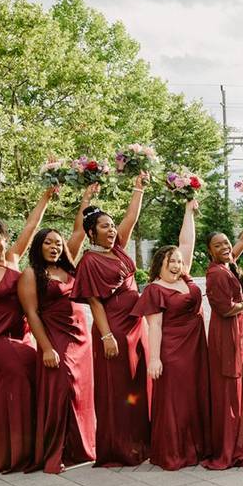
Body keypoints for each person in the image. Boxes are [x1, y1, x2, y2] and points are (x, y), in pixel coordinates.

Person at [0, 187, 57, 472]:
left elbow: (31, 227)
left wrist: (44, 198)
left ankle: (30, 450)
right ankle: (12, 455)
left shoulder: (15, 259)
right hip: (0, 340)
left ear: (5, 239)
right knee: (17, 386)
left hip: (25, 335)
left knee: (31, 385)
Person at [72, 174, 150, 467]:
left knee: (135, 387)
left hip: (134, 326)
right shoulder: (90, 261)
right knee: (117, 390)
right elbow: (94, 301)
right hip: (114, 329)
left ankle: (140, 442)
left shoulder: (117, 249)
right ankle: (119, 447)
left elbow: (130, 217)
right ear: (92, 232)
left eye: (112, 225)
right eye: (105, 226)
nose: (112, 229)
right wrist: (106, 337)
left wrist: (138, 188)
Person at [19, 185, 97, 473]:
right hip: (55, 339)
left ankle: (82, 448)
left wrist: (85, 200)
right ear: (39, 247)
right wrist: (47, 348)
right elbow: (31, 313)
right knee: (59, 392)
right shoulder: (31, 274)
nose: (54, 247)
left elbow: (77, 233)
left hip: (81, 338)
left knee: (81, 393)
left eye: (57, 243)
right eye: (47, 243)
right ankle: (56, 450)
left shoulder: (71, 266)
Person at [131, 200, 210, 470]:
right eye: (171, 261)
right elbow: (154, 326)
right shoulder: (155, 289)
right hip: (173, 350)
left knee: (194, 396)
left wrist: (188, 211)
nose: (177, 264)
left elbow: (186, 243)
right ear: (160, 263)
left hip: (196, 348)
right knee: (176, 399)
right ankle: (175, 450)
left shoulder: (183, 278)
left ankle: (197, 447)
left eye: (179, 260)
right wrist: (155, 359)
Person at [203, 202, 243, 469]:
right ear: (209, 251)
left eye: (226, 243)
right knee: (228, 391)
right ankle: (229, 448)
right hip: (225, 335)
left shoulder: (229, 264)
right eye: (217, 245)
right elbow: (225, 308)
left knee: (237, 390)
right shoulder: (216, 274)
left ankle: (239, 443)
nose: (225, 247)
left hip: (235, 334)